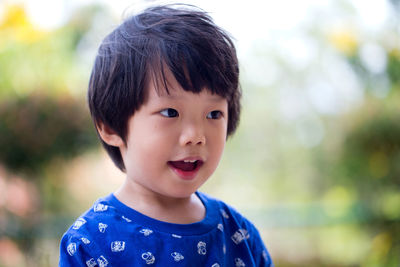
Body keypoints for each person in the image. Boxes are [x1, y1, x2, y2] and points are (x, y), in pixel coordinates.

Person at [59, 4, 273, 267]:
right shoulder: (90, 243)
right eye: (171, 112)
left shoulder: (239, 236)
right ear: (111, 128)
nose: (195, 136)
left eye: (214, 114)